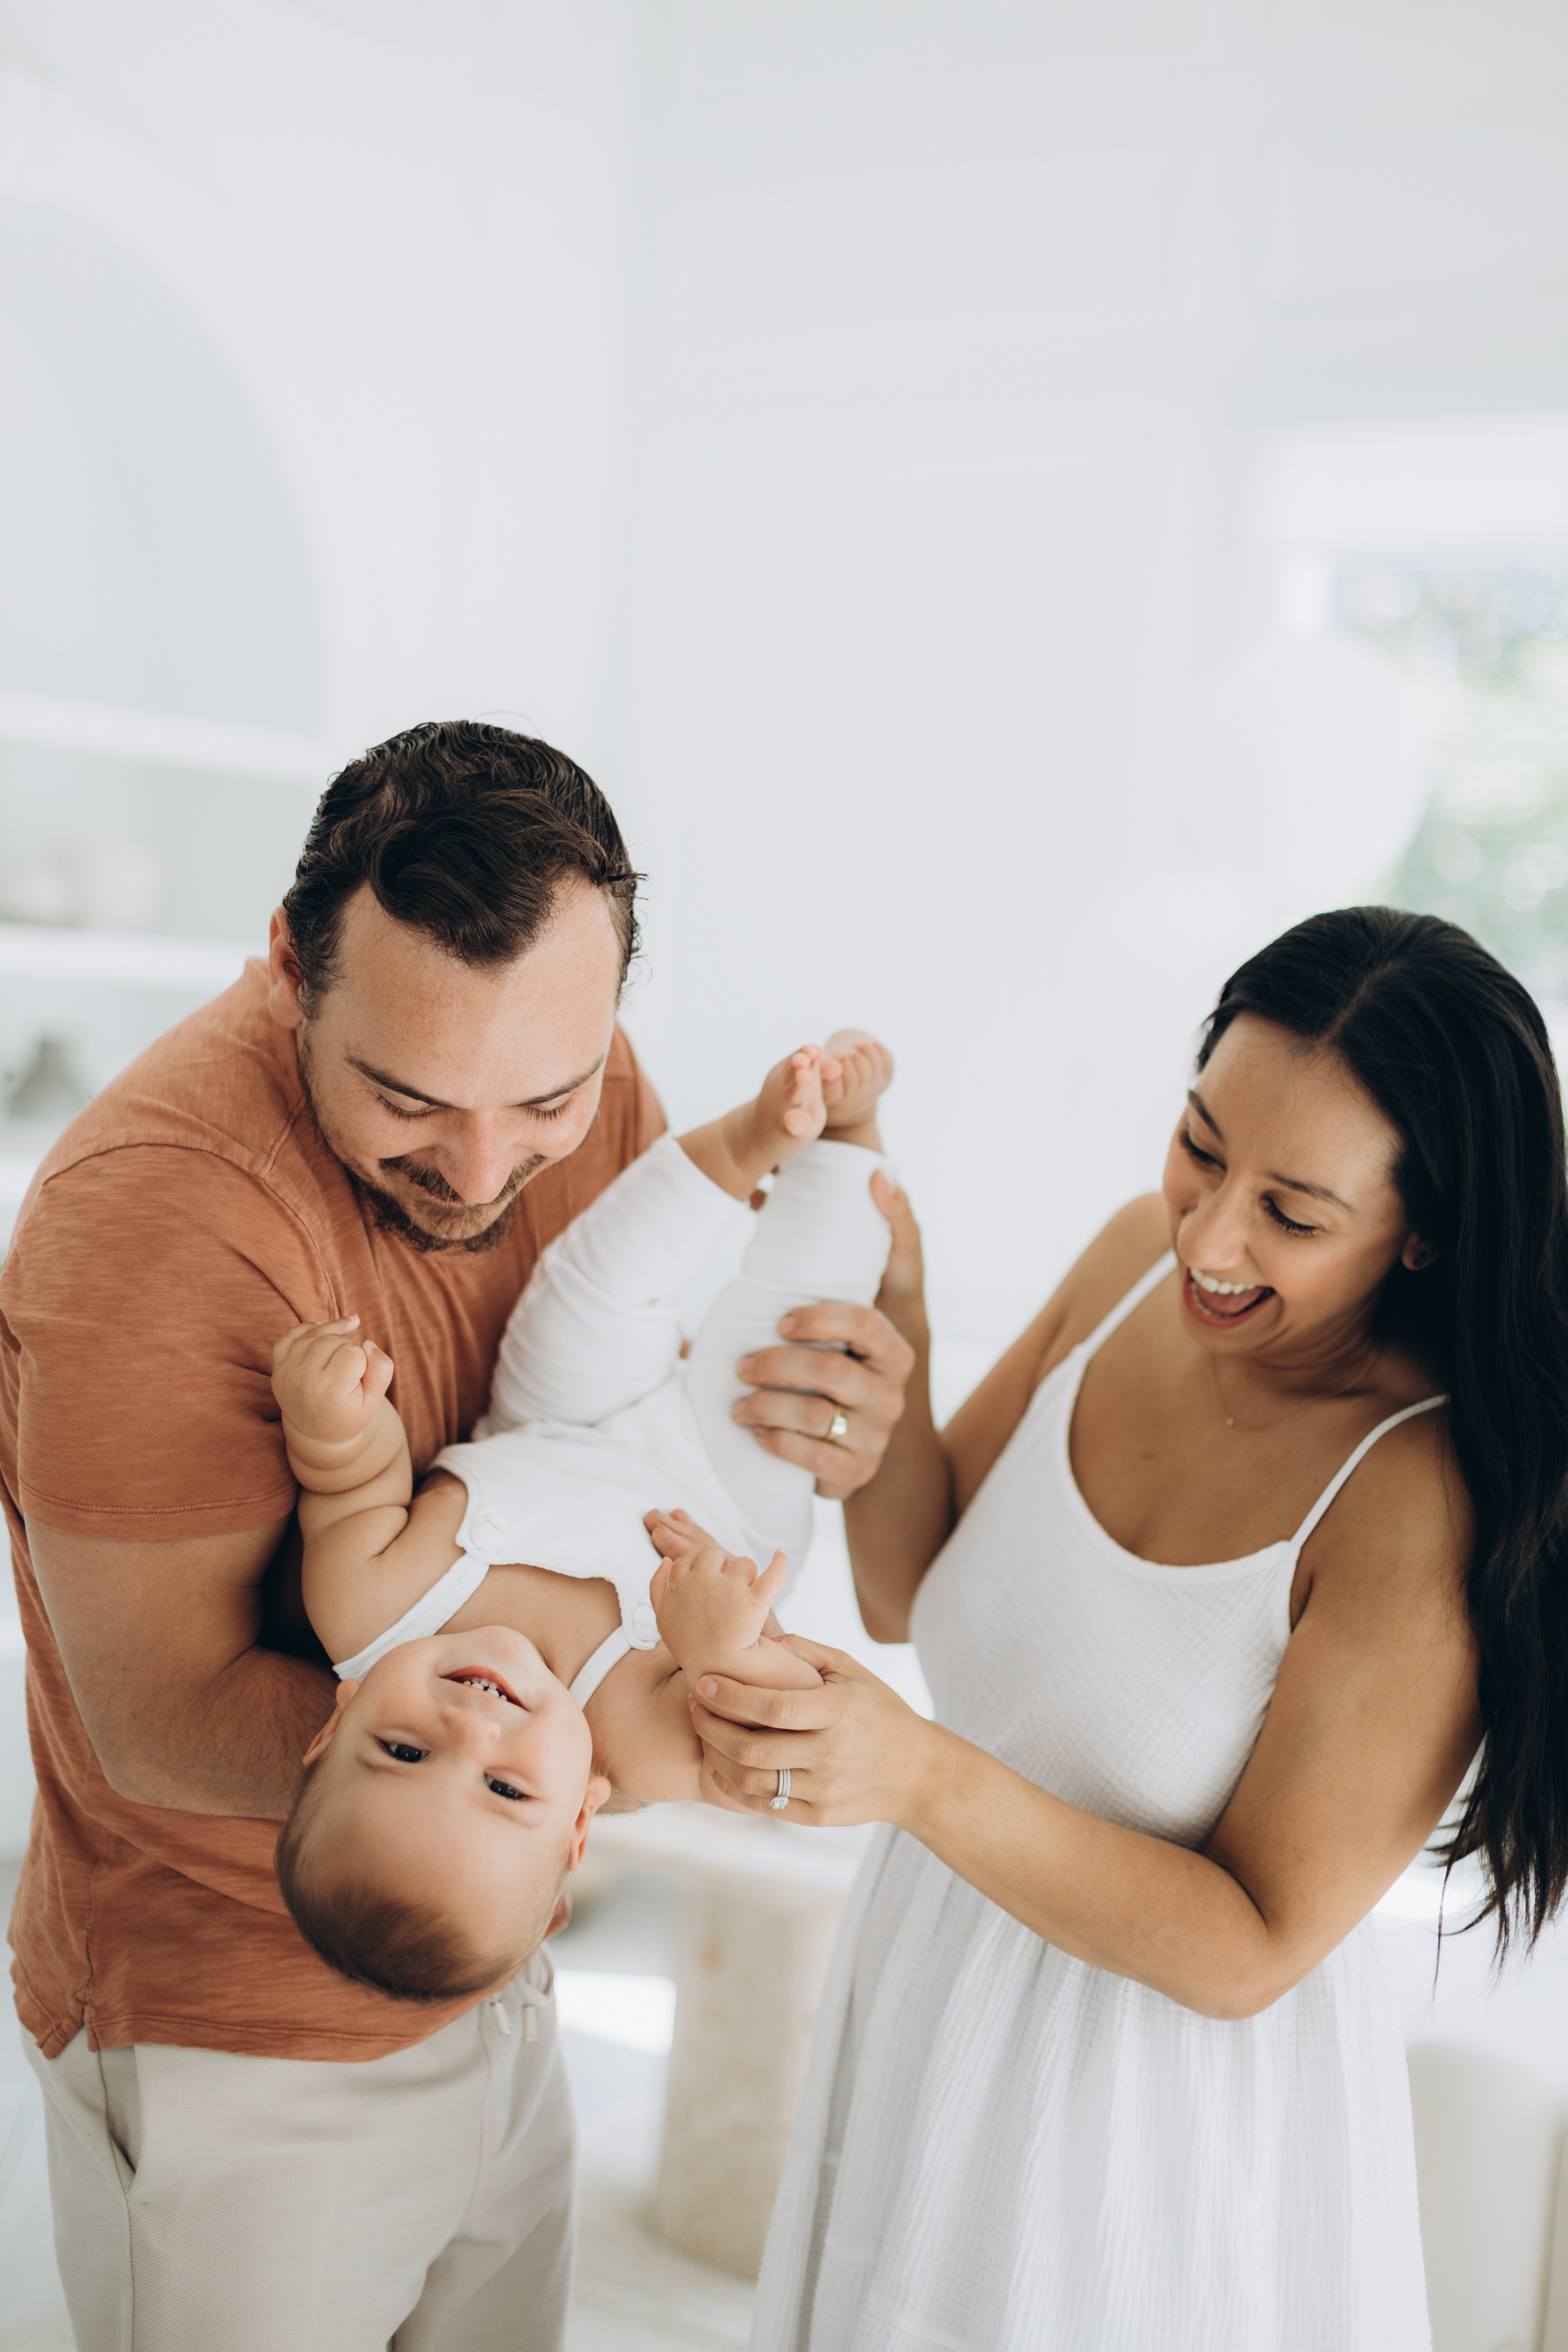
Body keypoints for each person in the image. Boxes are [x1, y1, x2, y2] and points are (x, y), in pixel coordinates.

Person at [0, 720, 914, 2352]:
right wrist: (582, 1746)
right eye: (407, 1099)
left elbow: (624, 1375)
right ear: (292, 964)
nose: (484, 1165)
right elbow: (158, 1717)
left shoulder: (584, 1080)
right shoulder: (154, 1215)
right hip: (240, 2030)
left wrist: (825, 1397)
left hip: (500, 1973)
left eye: (547, 1098)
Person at [679, 908, 1568, 2352]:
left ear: (1425, 1234)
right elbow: (914, 1583)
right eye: (1200, 1146)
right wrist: (888, 1306)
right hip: (928, 1999)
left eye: (1293, 1210)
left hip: (1143, 2135)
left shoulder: (1415, 1501)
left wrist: (913, 1777)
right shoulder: (1126, 1271)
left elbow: (1251, 1946)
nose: (1209, 1235)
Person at [268, 1032, 893, 2000]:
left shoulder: (366, 1606)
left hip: (557, 1420)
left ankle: (748, 1139)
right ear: (580, 1820)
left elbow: (352, 1488)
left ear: (333, 1724)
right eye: (507, 1789)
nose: (472, 1731)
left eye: (402, 1750)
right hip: (726, 1499)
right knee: (796, 1320)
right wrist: (728, 1644)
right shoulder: (639, 1744)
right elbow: (777, 1726)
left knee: (594, 1285)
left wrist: (332, 1423)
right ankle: (846, 1144)